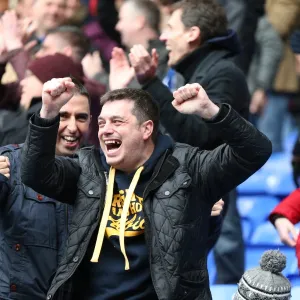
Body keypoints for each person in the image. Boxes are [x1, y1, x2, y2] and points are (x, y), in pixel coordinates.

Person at [21, 77, 271, 300]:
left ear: (146, 129)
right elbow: (34, 174)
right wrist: (48, 112)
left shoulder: (189, 169)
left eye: (117, 121)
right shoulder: (88, 168)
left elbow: (255, 150)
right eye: (102, 122)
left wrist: (210, 111)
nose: (106, 130)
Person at [110, 0, 249, 283]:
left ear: (192, 33)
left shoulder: (222, 74)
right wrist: (124, 90)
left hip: (208, 197)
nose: (162, 37)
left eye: (170, 28)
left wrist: (150, 83)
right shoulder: (197, 70)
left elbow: (200, 136)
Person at [0, 78, 91, 300]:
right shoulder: (9, 162)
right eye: (63, 116)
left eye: (81, 118)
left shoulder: (97, 171)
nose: (73, 127)